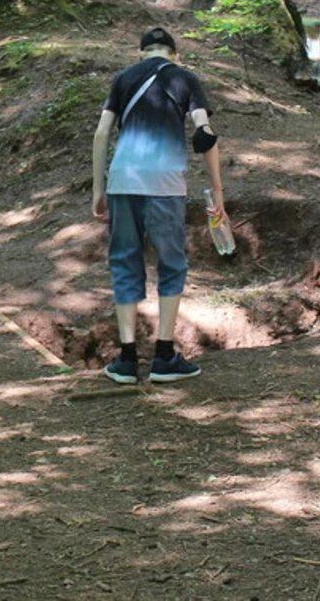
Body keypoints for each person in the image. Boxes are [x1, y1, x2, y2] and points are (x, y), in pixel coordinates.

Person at [91, 27, 225, 383]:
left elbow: (102, 133)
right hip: (166, 183)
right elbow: (204, 134)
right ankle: (164, 357)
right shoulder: (185, 78)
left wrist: (97, 188)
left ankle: (126, 359)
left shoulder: (123, 78)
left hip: (122, 180)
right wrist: (217, 190)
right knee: (171, 264)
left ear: (142, 53)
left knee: (123, 261)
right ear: (174, 54)